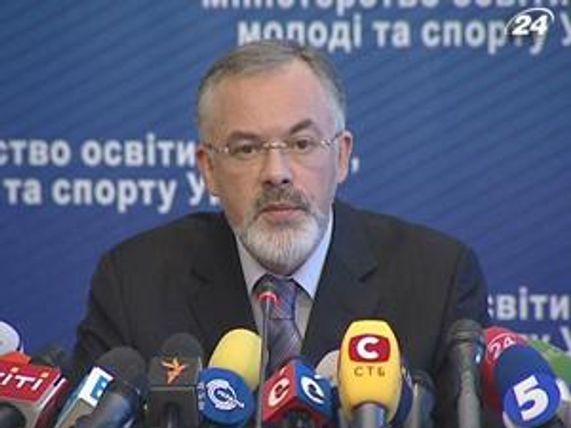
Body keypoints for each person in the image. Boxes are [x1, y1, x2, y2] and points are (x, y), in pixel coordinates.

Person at [72, 40, 490, 426]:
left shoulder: (438, 279)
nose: (277, 173)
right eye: (246, 149)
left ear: (341, 156)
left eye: (302, 143)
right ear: (209, 169)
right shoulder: (133, 282)